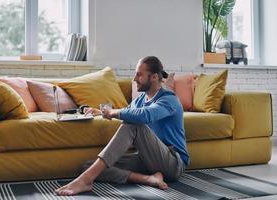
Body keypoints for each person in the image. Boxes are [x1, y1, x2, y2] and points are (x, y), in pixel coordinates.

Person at [55, 56, 189, 196]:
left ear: (154, 77)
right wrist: (100, 112)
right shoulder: (140, 100)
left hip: (173, 164)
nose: (134, 79)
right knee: (89, 166)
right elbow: (127, 114)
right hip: (147, 160)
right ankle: (148, 179)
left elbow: (144, 116)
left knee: (134, 125)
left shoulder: (169, 99)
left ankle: (85, 180)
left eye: (139, 74)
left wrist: (113, 112)